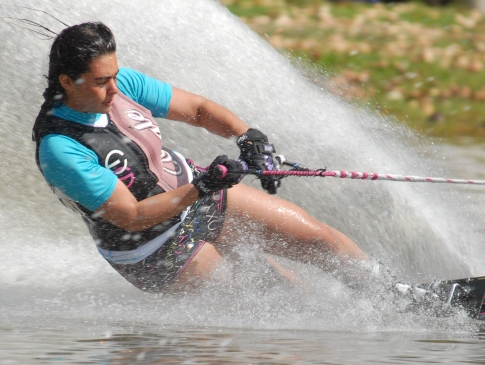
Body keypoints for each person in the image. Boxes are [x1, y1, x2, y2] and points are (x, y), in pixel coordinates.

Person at [32, 22, 390, 294]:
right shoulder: (60, 147)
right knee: (270, 296)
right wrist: (204, 186)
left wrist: (248, 137)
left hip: (194, 194)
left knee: (316, 237)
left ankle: (398, 296)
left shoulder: (122, 83)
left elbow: (199, 110)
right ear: (67, 80)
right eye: (101, 82)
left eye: (114, 75)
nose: (115, 88)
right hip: (151, 248)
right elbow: (133, 217)